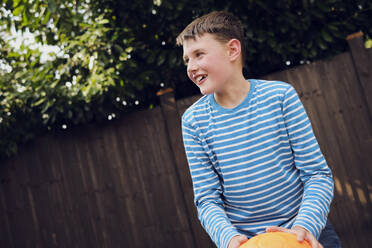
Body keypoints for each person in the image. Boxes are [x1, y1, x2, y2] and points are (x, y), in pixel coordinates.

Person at [176, 11, 342, 248]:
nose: (191, 67)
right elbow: (207, 200)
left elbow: (317, 175)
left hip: (306, 233)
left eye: (198, 54)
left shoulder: (280, 97)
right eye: (187, 60)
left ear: (233, 50)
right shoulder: (194, 121)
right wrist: (230, 239)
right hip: (250, 242)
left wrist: (304, 227)